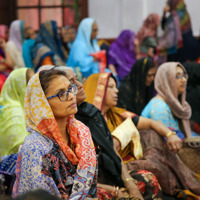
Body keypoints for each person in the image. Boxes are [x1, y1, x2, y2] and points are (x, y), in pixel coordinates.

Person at [83, 72, 200, 197]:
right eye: (110, 87)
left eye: (116, 86)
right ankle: (183, 186)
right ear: (97, 90)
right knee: (154, 164)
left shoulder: (117, 114)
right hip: (110, 169)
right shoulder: (86, 122)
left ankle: (185, 185)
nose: (117, 91)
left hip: (128, 161)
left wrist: (169, 134)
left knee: (151, 135)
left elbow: (150, 123)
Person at [51, 66, 161, 199]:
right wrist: (113, 190)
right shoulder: (62, 125)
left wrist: (129, 184)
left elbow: (111, 151)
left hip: (111, 173)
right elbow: (72, 178)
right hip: (87, 185)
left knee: (148, 179)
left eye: (77, 80)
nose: (80, 85)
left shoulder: (92, 113)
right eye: (71, 83)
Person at [12, 70, 98, 199]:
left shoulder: (82, 131)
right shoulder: (36, 148)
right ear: (42, 103)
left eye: (70, 89)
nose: (71, 96)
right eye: (61, 93)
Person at [142, 62, 192, 138]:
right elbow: (168, 145)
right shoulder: (159, 108)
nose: (184, 80)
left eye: (184, 75)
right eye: (178, 76)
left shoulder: (173, 104)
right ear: (166, 80)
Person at [0, 68, 34, 157]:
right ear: (21, 87)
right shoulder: (13, 113)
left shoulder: (8, 105)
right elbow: (18, 146)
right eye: (30, 84)